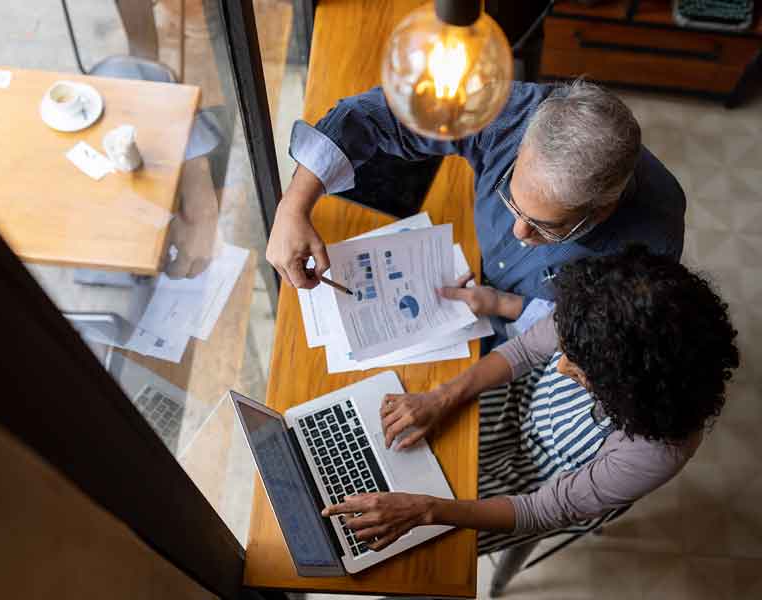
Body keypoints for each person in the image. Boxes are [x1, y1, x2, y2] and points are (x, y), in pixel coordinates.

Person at [320, 247, 739, 573]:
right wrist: (442, 397)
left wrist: (427, 509)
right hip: (518, 405)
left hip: (541, 485)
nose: (559, 366)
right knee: (388, 454)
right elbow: (523, 348)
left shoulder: (656, 452)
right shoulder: (603, 309)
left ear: (628, 389)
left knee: (421, 555)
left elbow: (543, 509)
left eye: (579, 372)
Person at [266, 79, 686, 341]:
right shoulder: (513, 114)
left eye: (549, 227)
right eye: (511, 198)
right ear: (522, 142)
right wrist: (294, 205)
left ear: (602, 209)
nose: (520, 232)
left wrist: (506, 307)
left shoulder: (653, 240)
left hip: (523, 332)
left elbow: (594, 332)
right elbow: (371, 115)